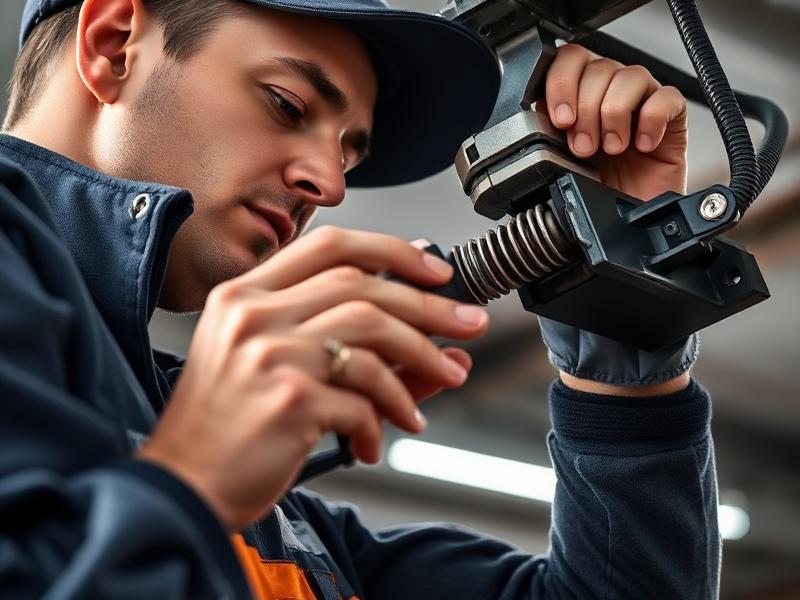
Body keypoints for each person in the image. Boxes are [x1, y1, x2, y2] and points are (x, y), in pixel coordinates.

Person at [0, 0, 716, 598]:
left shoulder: (282, 529)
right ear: (112, 44)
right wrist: (194, 479)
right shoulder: (202, 466)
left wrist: (622, 311)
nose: (331, 185)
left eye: (349, 153)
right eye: (287, 103)